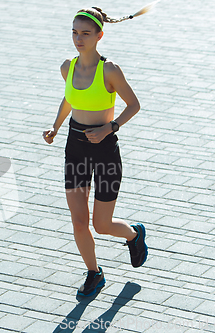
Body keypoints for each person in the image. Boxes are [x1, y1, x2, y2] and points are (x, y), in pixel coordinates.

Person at [43, 6, 148, 297]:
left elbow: (134, 105)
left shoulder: (110, 70)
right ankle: (94, 273)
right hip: (74, 148)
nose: (78, 38)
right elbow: (69, 99)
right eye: (75, 32)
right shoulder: (68, 66)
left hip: (104, 150)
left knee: (101, 225)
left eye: (85, 33)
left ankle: (134, 234)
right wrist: (55, 127)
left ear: (99, 35)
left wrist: (109, 127)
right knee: (78, 220)